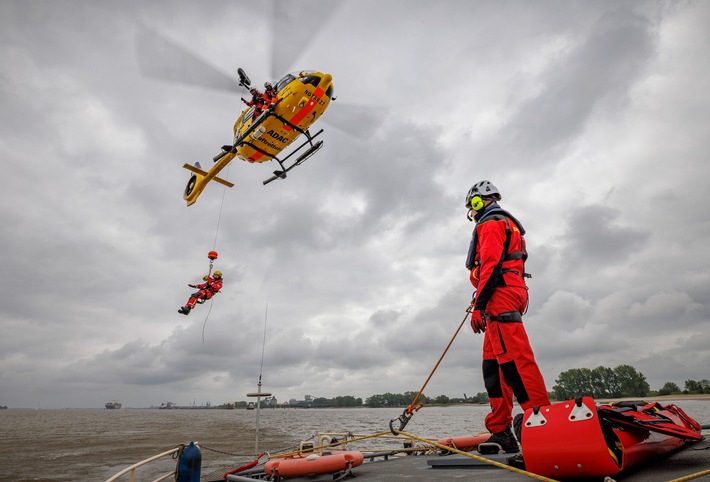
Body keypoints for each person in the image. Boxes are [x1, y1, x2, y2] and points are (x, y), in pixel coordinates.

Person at [464, 180, 549, 454]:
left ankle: (542, 425)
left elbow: (490, 265)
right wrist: (480, 300)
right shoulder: (507, 223)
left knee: (516, 362)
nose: (471, 212)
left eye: (472, 206)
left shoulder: (490, 223)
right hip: (501, 293)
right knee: (494, 366)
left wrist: (480, 304)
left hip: (500, 295)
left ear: (479, 202)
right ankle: (500, 429)